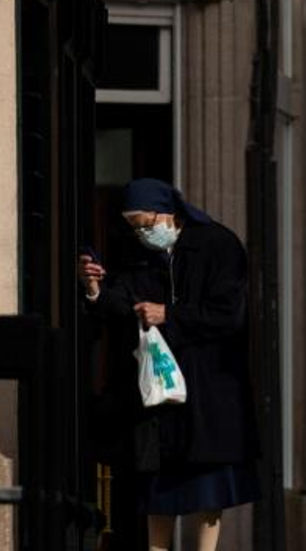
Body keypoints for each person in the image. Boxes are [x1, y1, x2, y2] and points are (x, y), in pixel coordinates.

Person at [79, 178, 260, 551]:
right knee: (157, 485)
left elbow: (228, 314)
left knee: (207, 488)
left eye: (146, 224)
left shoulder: (218, 245)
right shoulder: (138, 254)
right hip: (159, 393)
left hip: (209, 387)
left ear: (168, 213)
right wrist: (95, 290)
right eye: (134, 227)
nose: (143, 234)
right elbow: (121, 304)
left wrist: (169, 315)